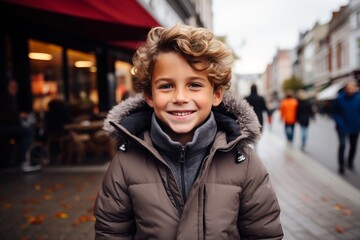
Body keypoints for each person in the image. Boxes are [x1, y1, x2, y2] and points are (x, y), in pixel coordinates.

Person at [94, 24, 283, 239]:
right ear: (149, 95)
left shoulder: (243, 162)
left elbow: (264, 233)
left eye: (194, 85)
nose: (180, 97)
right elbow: (111, 233)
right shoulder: (126, 162)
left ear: (216, 94)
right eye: (166, 86)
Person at [0, 79, 41, 172]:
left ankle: (31, 158)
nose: (14, 89)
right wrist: (18, 116)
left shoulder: (13, 99)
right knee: (28, 131)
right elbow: (4, 117)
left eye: (15, 87)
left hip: (10, 126)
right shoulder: (4, 98)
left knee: (29, 130)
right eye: (12, 87)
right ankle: (24, 161)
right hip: (3, 127)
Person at [333, 81, 360, 175]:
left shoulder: (358, 98)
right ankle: (341, 165)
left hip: (355, 125)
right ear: (345, 89)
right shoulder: (340, 98)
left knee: (353, 145)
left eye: (352, 88)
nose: (350, 90)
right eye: (348, 88)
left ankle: (350, 161)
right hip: (342, 126)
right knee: (342, 145)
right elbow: (335, 112)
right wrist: (340, 123)